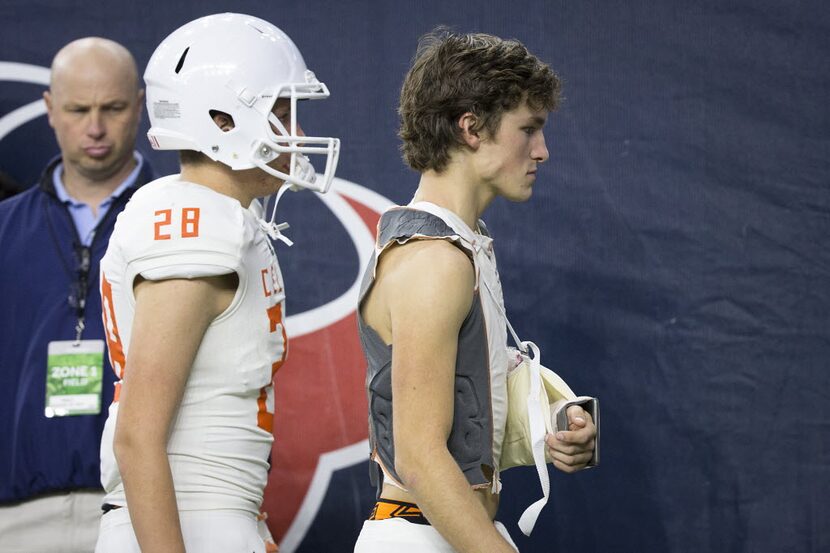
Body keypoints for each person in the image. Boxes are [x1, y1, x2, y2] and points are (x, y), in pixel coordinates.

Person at [93, 13, 340, 553]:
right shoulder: (197, 224)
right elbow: (138, 437)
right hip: (185, 521)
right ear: (223, 121)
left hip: (211, 518)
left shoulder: (214, 214)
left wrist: (249, 524)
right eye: (281, 114)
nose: (296, 134)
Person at [354, 30, 598, 552]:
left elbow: (460, 401)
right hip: (423, 534)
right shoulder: (435, 260)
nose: (543, 151)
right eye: (528, 129)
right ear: (470, 128)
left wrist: (553, 420)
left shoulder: (460, 245)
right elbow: (419, 455)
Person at [0, 37, 152, 553]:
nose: (94, 128)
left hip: (143, 506)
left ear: (140, 102)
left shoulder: (182, 226)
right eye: (77, 109)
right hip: (16, 513)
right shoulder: (3, 229)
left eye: (111, 108)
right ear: (48, 108)